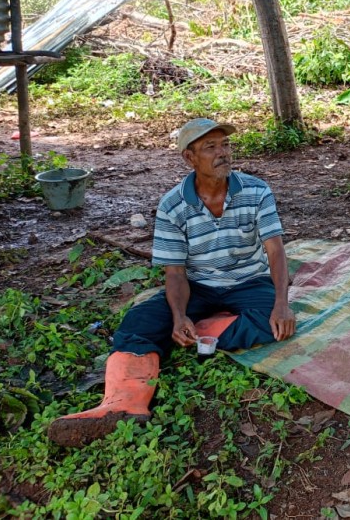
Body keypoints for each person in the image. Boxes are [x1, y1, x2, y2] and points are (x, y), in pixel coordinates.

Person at [48, 118, 296, 447]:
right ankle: (124, 403)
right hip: (199, 287)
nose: (223, 153)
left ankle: (197, 334)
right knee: (139, 321)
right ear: (189, 158)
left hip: (248, 280)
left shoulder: (256, 190)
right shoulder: (172, 205)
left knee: (273, 324)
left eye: (226, 145)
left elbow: (275, 250)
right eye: (211, 147)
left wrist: (282, 303)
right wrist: (179, 316)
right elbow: (176, 273)